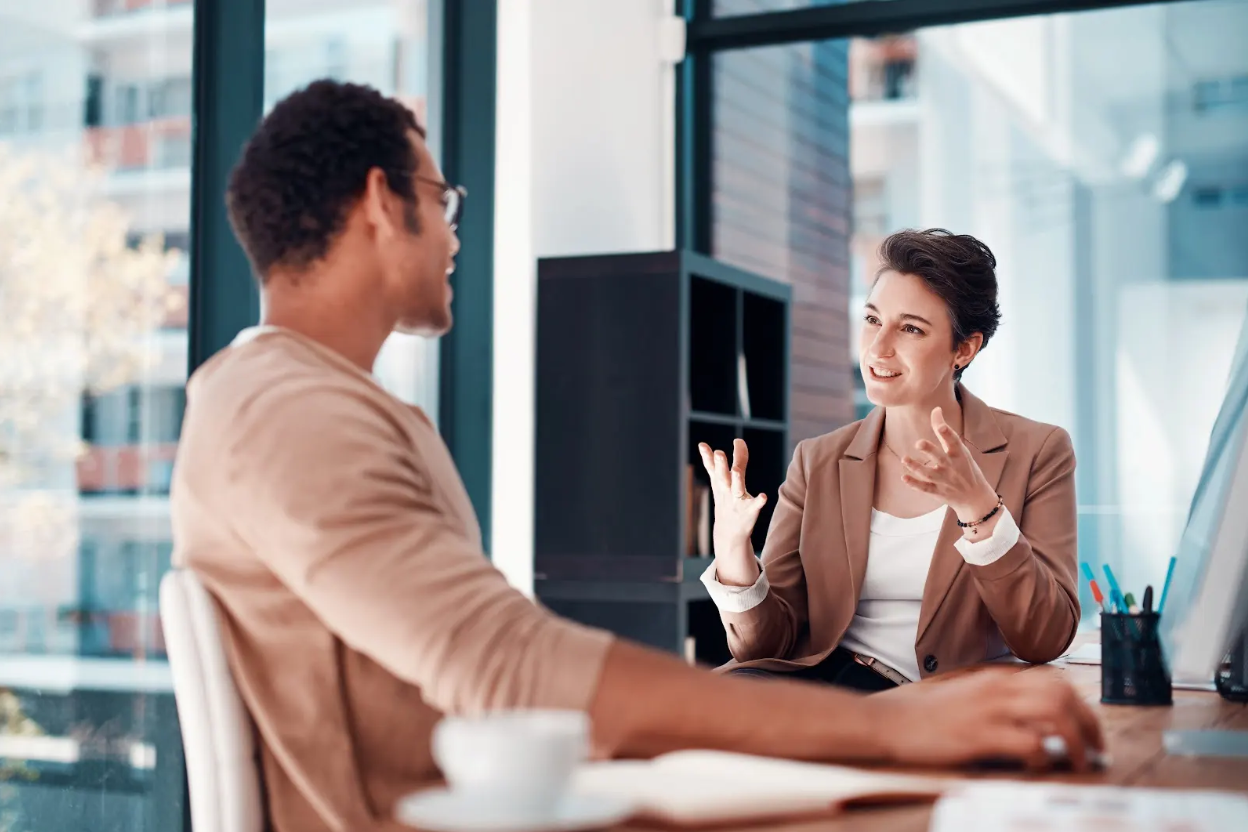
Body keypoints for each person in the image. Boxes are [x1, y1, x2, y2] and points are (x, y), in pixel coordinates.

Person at [170, 81, 1102, 832]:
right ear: (381, 202)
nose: (455, 231)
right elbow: (509, 666)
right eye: (441, 198)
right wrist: (885, 731)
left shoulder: (332, 405)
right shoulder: (284, 409)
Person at [698, 229, 1080, 692]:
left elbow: (1046, 637)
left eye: (911, 328)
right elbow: (769, 647)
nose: (878, 348)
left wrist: (980, 509)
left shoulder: (1038, 452)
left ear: (965, 349)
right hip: (825, 691)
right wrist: (733, 553)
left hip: (940, 706)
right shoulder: (817, 461)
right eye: (873, 320)